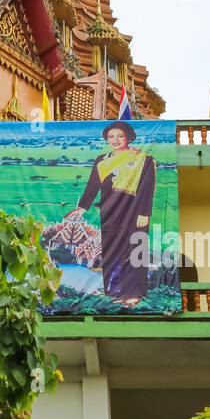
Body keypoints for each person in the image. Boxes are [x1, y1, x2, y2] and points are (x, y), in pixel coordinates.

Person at [63, 121, 155, 304]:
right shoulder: (102, 160)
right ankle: (114, 291)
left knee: (134, 249)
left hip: (134, 211)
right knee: (111, 250)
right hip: (110, 211)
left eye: (120, 136)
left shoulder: (143, 159)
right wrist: (82, 208)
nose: (115, 140)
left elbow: (147, 188)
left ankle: (134, 293)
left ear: (128, 137)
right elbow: (92, 186)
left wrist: (144, 213)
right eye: (111, 136)